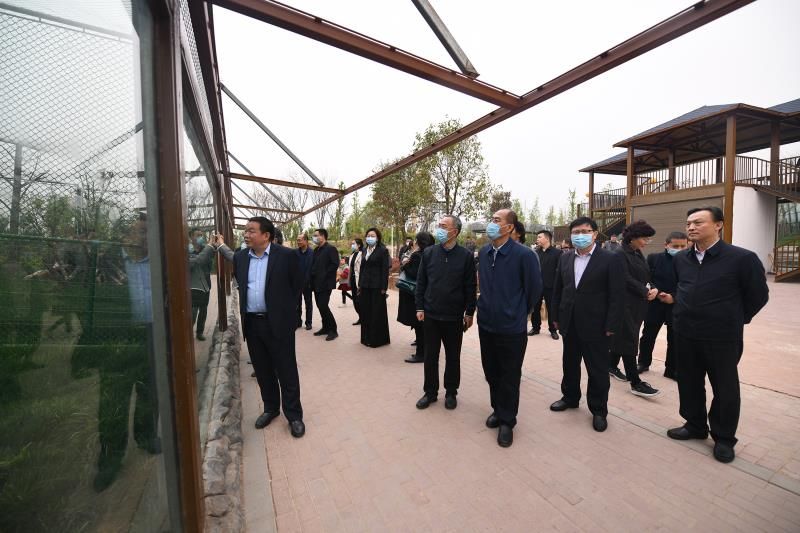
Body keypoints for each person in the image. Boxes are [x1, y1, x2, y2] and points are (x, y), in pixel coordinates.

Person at [667, 206, 768, 463]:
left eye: (698, 222)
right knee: (689, 382)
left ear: (718, 225)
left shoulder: (742, 258)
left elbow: (758, 295)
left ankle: (723, 438)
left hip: (721, 337)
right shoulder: (681, 259)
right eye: (689, 223)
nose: (691, 227)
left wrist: (735, 318)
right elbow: (681, 288)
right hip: (685, 333)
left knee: (725, 388)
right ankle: (694, 425)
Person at [215, 217, 306, 438]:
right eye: (245, 231)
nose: (246, 234)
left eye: (251, 231)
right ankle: (271, 408)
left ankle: (294, 415)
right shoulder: (240, 258)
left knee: (286, 370)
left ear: (266, 235)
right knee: (263, 370)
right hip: (252, 324)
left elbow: (298, 285)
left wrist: (287, 314)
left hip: (278, 324)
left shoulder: (286, 256)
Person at [549, 216, 624, 433]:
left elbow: (617, 295)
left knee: (597, 370)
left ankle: (599, 410)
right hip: (569, 322)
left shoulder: (611, 259)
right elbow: (558, 289)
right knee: (570, 364)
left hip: (597, 325)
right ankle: (570, 397)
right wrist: (555, 316)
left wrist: (612, 324)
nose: (580, 236)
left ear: (594, 234)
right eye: (575, 232)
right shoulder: (565, 258)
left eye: (585, 231)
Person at [477, 209, 541, 447]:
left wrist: (518, 312)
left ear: (510, 227)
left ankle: (507, 421)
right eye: (491, 220)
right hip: (486, 324)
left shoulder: (524, 255)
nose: (492, 224)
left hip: (511, 328)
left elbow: (534, 289)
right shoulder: (484, 253)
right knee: (491, 372)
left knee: (510, 375)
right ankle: (497, 408)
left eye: (497, 221)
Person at [415, 216, 477, 410]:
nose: (439, 229)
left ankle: (451, 392)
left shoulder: (465, 256)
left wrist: (469, 312)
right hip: (431, 315)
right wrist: (419, 307)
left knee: (453, 356)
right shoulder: (429, 253)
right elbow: (421, 282)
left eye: (444, 226)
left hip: (453, 317)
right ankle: (430, 392)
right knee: (430, 356)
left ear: (455, 232)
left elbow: (470, 286)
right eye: (439, 225)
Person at [607, 220, 661, 398]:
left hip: (638, 305)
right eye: (644, 239)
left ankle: (610, 365)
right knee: (630, 341)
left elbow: (645, 275)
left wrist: (653, 288)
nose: (647, 242)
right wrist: (645, 291)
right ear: (633, 237)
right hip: (624, 305)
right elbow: (624, 278)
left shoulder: (637, 252)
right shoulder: (619, 254)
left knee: (624, 337)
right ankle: (635, 382)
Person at [637, 231, 689, 378]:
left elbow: (689, 284)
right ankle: (643, 362)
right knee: (648, 335)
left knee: (674, 339)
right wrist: (657, 291)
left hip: (676, 304)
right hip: (655, 303)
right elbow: (646, 278)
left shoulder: (690, 262)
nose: (679, 249)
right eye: (675, 246)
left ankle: (671, 369)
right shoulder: (654, 258)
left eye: (683, 246)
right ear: (666, 245)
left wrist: (674, 297)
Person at [397, 232, 434, 364]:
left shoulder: (418, 255)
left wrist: (405, 264)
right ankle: (422, 348)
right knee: (421, 325)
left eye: (416, 240)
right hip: (424, 294)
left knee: (419, 325)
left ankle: (421, 353)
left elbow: (415, 273)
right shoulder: (430, 254)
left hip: (414, 294)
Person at [358, 228, 391, 347]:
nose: (370, 237)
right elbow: (362, 268)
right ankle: (366, 338)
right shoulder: (364, 250)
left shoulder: (383, 251)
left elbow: (385, 270)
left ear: (377, 238)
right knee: (365, 312)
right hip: (365, 285)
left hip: (377, 286)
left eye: (372, 236)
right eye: (368, 235)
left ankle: (377, 340)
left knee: (376, 313)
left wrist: (384, 287)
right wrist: (360, 284)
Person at [530, 230, 562, 339]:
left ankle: (553, 330)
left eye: (539, 237)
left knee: (551, 308)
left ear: (547, 238)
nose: (537, 239)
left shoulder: (557, 253)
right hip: (537, 286)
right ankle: (535, 328)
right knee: (535, 308)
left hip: (551, 286)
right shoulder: (535, 252)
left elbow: (560, 271)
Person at [310, 228, 339, 341]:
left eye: (316, 235)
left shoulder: (331, 249)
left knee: (323, 306)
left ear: (322, 236)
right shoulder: (316, 250)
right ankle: (325, 328)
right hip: (316, 283)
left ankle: (333, 330)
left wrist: (324, 275)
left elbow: (334, 264)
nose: (314, 237)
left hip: (326, 283)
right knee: (320, 306)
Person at [188, 227, 215, 341]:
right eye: (197, 235)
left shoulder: (207, 250)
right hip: (193, 285)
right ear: (191, 237)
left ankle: (200, 332)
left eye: (201, 235)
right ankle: (188, 333)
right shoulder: (188, 251)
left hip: (205, 284)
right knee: (193, 310)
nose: (200, 237)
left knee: (203, 310)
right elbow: (196, 262)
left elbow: (209, 263)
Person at [295, 233, 314, 331]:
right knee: (297, 304)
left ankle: (308, 322)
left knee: (308, 304)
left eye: (300, 240)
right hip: (297, 283)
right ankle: (298, 322)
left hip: (308, 283)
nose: (298, 242)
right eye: (297, 240)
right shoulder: (295, 253)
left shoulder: (312, 253)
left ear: (306, 241)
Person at [349, 238, 364, 325]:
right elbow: (350, 268)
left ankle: (364, 318)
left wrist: (361, 282)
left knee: (360, 300)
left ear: (359, 245)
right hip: (352, 279)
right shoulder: (352, 255)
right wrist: (348, 280)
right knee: (355, 300)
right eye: (352, 244)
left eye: (353, 243)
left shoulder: (362, 254)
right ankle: (361, 317)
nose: (352, 245)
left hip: (359, 280)